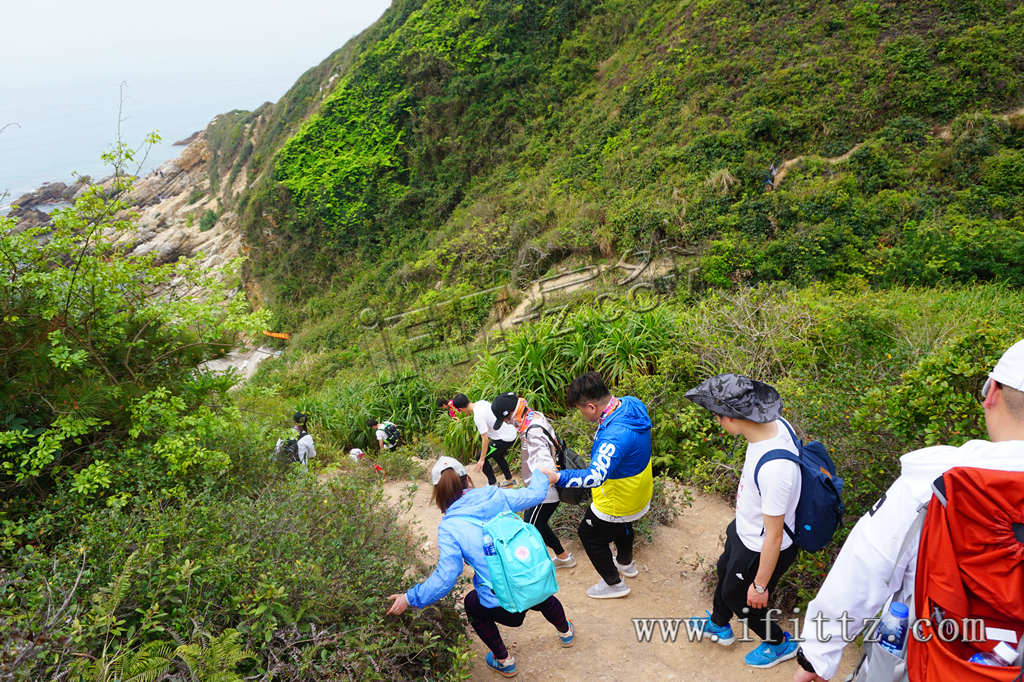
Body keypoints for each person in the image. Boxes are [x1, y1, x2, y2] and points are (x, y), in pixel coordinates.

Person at [792, 339, 1024, 682]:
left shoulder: (936, 480)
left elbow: (864, 568)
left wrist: (815, 655)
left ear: (992, 394)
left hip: (925, 665)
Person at [385, 456, 575, 677]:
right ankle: (566, 631)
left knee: (472, 603)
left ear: (439, 494)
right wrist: (542, 476)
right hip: (533, 580)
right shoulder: (496, 495)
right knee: (540, 594)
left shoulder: (449, 527)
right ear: (467, 481)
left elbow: (446, 578)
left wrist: (410, 598)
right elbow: (535, 494)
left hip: (503, 603)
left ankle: (504, 660)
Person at [683, 374, 802, 669]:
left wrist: (760, 586)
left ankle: (779, 643)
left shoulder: (777, 469)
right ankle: (719, 625)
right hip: (746, 530)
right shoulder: (774, 426)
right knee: (725, 570)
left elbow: (774, 537)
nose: (717, 421)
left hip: (762, 546)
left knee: (741, 598)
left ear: (732, 419)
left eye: (718, 416)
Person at [538, 372, 652, 599]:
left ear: (591, 406)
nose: (581, 414)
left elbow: (596, 476)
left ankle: (614, 584)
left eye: (580, 409)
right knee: (624, 524)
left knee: (588, 533)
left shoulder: (614, 436)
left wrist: (558, 477)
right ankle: (625, 563)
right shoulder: (631, 404)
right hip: (639, 489)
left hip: (618, 498)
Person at [490, 392, 576, 569]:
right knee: (537, 523)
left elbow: (545, 466)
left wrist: (533, 492)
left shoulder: (532, 431)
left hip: (544, 492)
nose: (507, 424)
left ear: (510, 414)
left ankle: (538, 565)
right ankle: (563, 557)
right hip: (541, 488)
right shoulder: (534, 416)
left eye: (506, 420)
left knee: (530, 526)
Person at [452, 393, 516, 488]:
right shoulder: (482, 403)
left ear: (461, 409)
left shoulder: (477, 417)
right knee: (497, 455)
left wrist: (482, 459)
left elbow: (485, 439)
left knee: (480, 457)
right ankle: (509, 480)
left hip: (504, 439)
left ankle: (492, 484)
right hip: (510, 432)